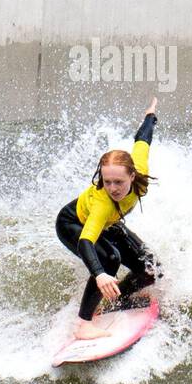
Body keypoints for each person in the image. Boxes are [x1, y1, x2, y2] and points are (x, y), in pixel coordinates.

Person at [56, 99, 162, 341]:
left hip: (109, 225)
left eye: (119, 182)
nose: (112, 188)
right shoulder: (103, 202)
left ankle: (117, 299)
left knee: (151, 270)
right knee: (109, 259)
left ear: (133, 176)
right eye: (107, 181)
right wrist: (100, 274)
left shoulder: (140, 173)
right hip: (72, 223)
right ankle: (84, 324)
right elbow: (85, 241)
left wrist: (150, 115)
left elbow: (143, 140)